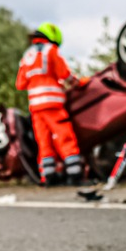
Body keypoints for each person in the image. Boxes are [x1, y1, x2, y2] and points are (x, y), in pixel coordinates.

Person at [15, 22, 86, 185]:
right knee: (64, 137)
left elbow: (20, 84)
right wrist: (78, 83)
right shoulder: (50, 51)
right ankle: (75, 175)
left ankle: (49, 177)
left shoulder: (26, 56)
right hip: (52, 104)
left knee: (44, 142)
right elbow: (64, 74)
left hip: (35, 108)